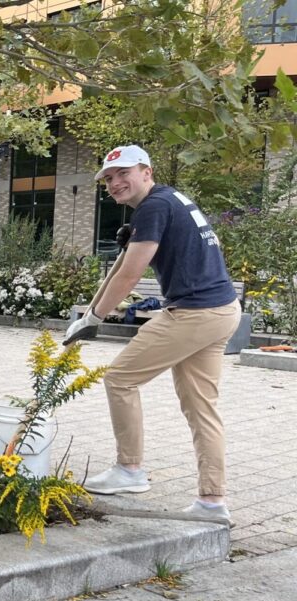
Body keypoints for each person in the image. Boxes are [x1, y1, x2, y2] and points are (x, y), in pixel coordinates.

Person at [66, 145, 241, 523]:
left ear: (147, 171)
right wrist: (89, 313)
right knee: (201, 409)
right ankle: (213, 502)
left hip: (194, 313)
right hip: (223, 309)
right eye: (109, 178)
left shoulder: (154, 207)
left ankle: (129, 470)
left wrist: (93, 317)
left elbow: (130, 275)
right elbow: (123, 266)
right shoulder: (171, 200)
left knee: (119, 379)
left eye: (123, 173)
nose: (115, 183)